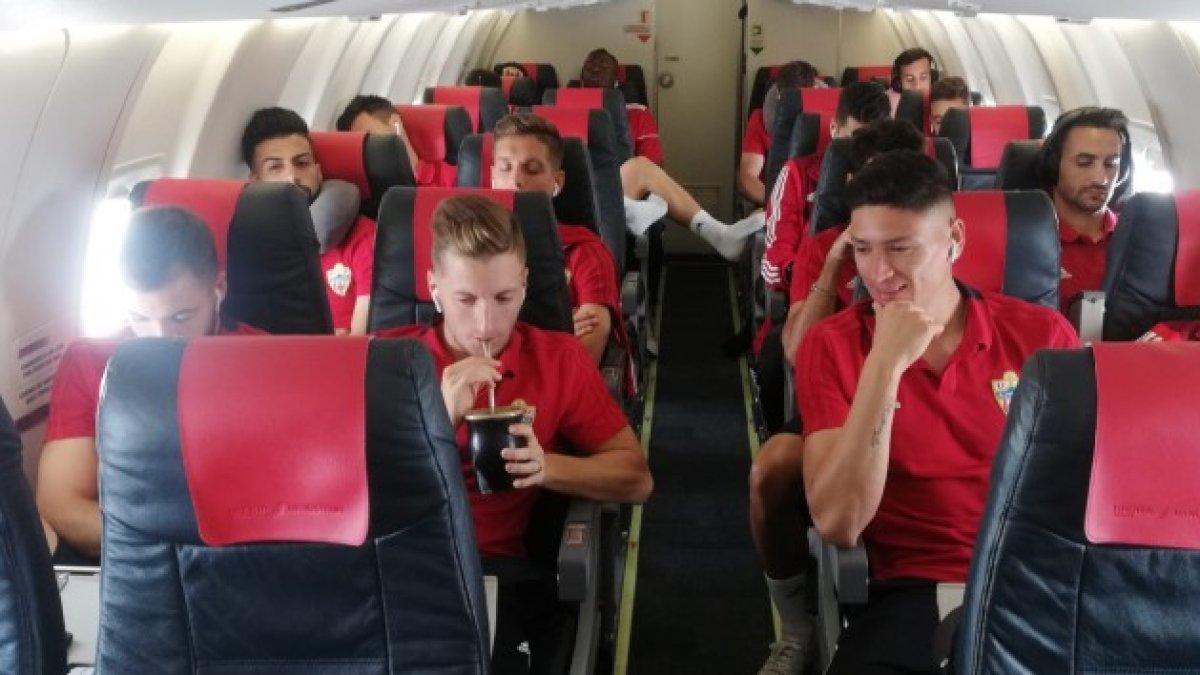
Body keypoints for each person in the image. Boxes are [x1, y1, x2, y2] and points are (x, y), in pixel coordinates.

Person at [787, 151, 1078, 675]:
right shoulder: (831, 346)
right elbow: (838, 521)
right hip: (915, 590)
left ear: (955, 241)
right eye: (863, 249)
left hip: (1036, 578)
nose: (878, 273)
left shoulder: (1043, 336)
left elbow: (1080, 484)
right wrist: (885, 363)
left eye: (901, 249)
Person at [376, 195, 652, 672]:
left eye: (504, 298)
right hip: (388, 564)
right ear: (434, 288)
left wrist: (546, 466)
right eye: (465, 300)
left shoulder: (557, 359)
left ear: (526, 286)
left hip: (489, 571)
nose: (486, 324)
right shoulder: (382, 363)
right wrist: (437, 420)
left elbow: (635, 478)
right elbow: (350, 494)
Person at [748, 120, 926, 670]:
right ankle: (798, 624)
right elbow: (798, 352)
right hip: (839, 413)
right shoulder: (830, 249)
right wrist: (835, 262)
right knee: (776, 465)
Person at [37, 206, 261, 564]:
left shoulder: (265, 359)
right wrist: (170, 550)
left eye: (181, 317)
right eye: (140, 318)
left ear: (218, 288)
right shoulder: (88, 364)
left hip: (238, 558)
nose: (160, 338)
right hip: (137, 561)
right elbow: (61, 504)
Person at [489, 112, 626, 371]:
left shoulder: (586, 253)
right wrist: (557, 337)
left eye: (532, 169)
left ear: (557, 182)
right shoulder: (464, 251)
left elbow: (581, 364)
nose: (516, 181)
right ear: (492, 176)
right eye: (506, 167)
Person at [242, 107, 376, 335]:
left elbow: (357, 344)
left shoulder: (364, 238)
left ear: (318, 172)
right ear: (254, 182)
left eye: (302, 163)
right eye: (275, 167)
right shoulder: (246, 248)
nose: (292, 176)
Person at [761, 81, 889, 293]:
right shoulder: (796, 174)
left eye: (874, 141)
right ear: (833, 129)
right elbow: (774, 262)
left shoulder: (898, 181)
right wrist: (807, 275)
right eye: (856, 139)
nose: (865, 153)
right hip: (813, 293)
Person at [1037, 106, 1130, 313]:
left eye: (1111, 164)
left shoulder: (1141, 237)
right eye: (1084, 163)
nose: (1101, 178)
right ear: (1054, 165)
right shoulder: (1024, 238)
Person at [739, 61, 820, 206]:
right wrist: (778, 205)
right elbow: (747, 179)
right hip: (774, 201)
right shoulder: (759, 119)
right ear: (778, 95)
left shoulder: (831, 121)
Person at [579, 48, 661, 164]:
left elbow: (653, 165)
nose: (596, 69)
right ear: (582, 78)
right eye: (589, 68)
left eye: (604, 67)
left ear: (616, 78)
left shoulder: (639, 113)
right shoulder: (565, 110)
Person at [333, 94, 428, 185]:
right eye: (363, 146)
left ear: (396, 123)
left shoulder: (439, 179)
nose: (368, 153)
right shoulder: (367, 194)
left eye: (371, 140)